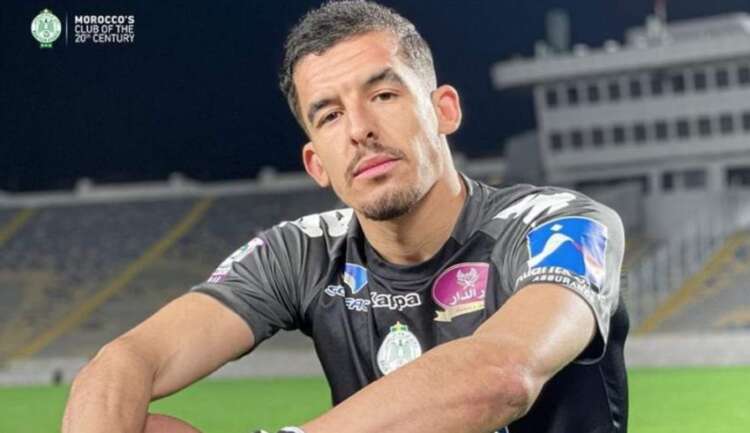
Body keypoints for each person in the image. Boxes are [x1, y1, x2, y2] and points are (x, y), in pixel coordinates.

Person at [62, 1, 629, 433]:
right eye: (330, 116)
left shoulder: (563, 224)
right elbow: (125, 361)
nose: (359, 129)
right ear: (317, 164)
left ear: (444, 110)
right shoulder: (301, 251)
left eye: (383, 95)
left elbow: (501, 376)